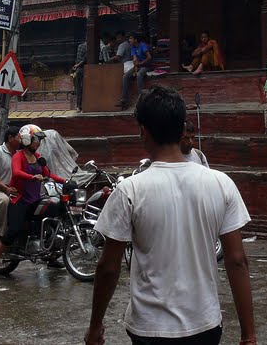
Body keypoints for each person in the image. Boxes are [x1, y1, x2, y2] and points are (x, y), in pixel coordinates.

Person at [86, 86, 255, 345]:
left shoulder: (130, 190)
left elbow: (109, 268)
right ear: (181, 128)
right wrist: (249, 335)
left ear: (143, 131)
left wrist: (96, 326)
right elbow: (237, 260)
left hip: (150, 330)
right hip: (205, 325)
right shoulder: (222, 184)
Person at [0, 125, 66, 264]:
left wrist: (66, 181)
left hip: (34, 199)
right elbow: (16, 172)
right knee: (14, 229)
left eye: (39, 140)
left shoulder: (37, 157)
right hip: (19, 199)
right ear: (26, 139)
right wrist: (32, 177)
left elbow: (48, 174)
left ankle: (50, 255)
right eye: (36, 139)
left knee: (55, 209)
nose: (38, 142)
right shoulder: (18, 156)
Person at [119, 33, 152, 110]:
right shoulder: (133, 47)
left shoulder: (142, 45)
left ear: (136, 40)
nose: (129, 40)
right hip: (137, 66)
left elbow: (149, 57)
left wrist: (141, 63)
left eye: (131, 38)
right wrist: (136, 68)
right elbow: (135, 59)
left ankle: (142, 97)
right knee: (125, 76)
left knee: (139, 75)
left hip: (145, 66)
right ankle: (124, 99)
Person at [73, 40, 88, 112]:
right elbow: (85, 59)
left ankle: (79, 106)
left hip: (79, 69)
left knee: (79, 89)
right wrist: (78, 65)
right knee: (83, 88)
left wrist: (77, 66)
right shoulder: (89, 47)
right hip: (84, 69)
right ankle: (81, 106)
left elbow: (78, 59)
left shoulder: (80, 46)